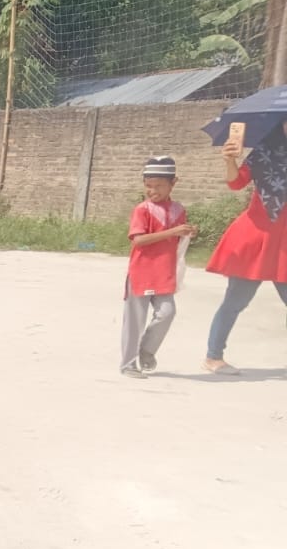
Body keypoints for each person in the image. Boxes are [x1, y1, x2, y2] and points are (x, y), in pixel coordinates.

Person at [202, 119, 287, 375]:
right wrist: (229, 161)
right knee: (235, 301)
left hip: (283, 244)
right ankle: (213, 356)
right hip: (255, 238)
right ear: (281, 125)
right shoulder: (264, 152)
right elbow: (236, 183)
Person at [120, 157, 192, 379]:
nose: (153, 191)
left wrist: (187, 232)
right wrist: (172, 232)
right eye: (149, 186)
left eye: (159, 185)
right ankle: (128, 364)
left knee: (167, 313)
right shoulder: (142, 210)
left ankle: (146, 350)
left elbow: (177, 239)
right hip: (142, 271)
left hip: (164, 272)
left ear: (174, 183)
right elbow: (138, 240)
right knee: (135, 320)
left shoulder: (179, 209)